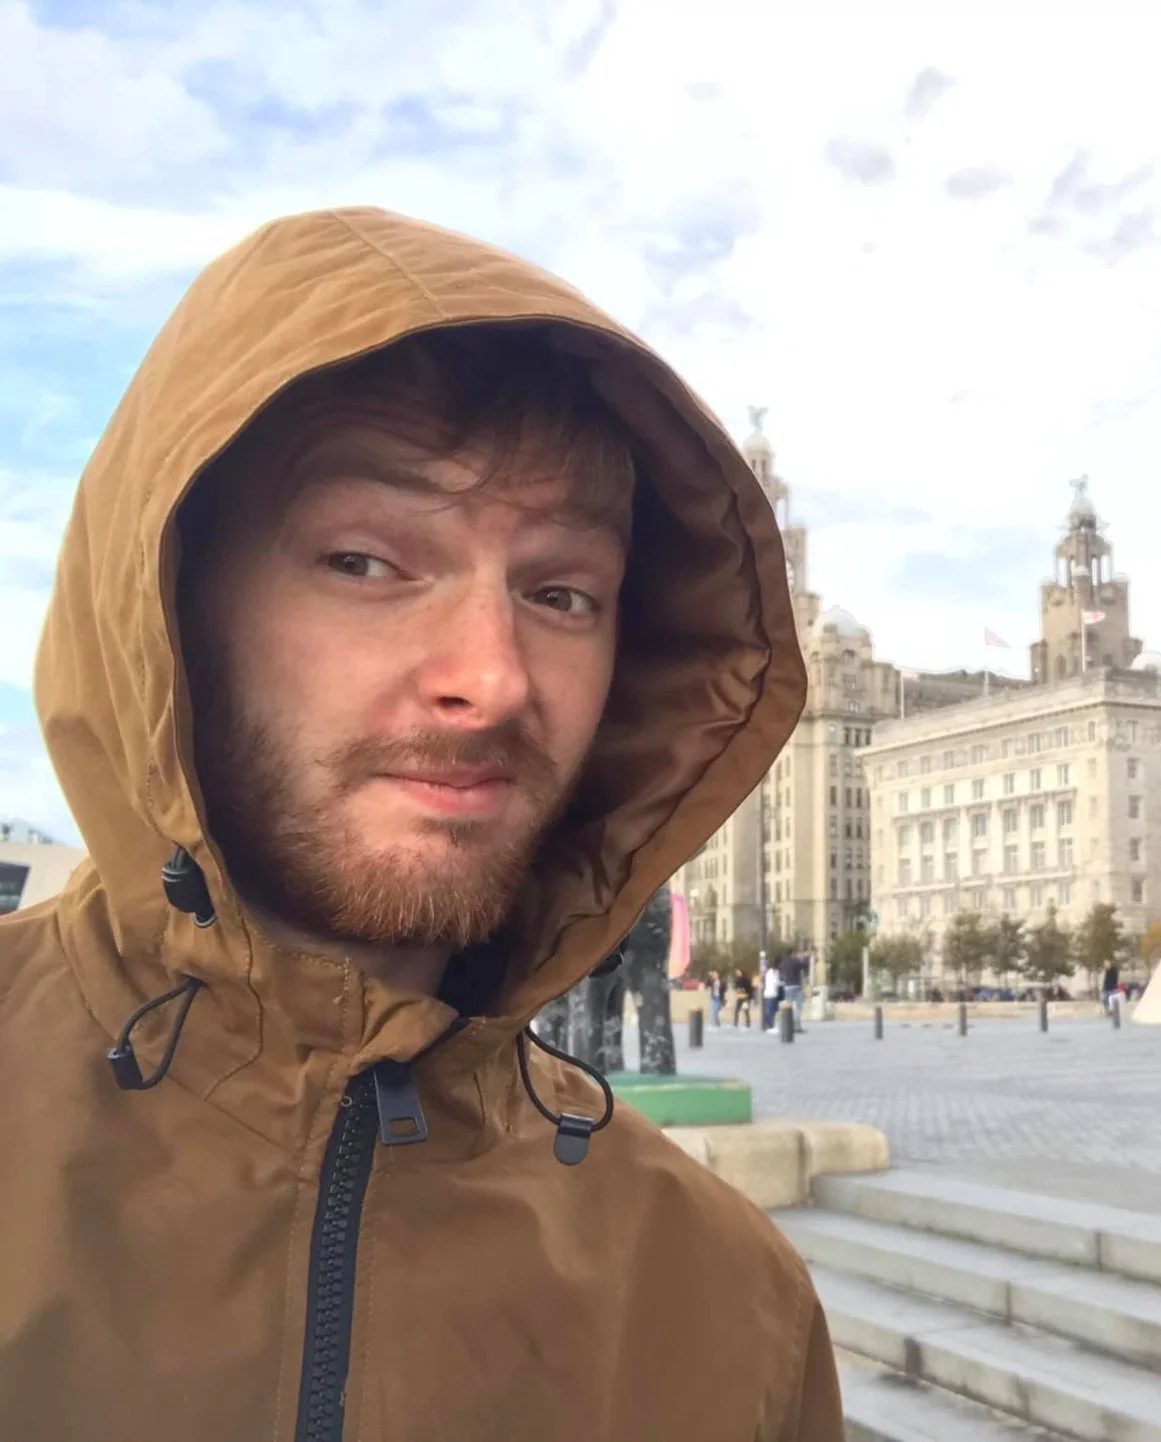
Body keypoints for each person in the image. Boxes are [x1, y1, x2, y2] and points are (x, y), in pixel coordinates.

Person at [0, 208, 834, 1439]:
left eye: (561, 592)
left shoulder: (726, 1306)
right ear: (172, 602)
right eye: (365, 561)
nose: (492, 677)